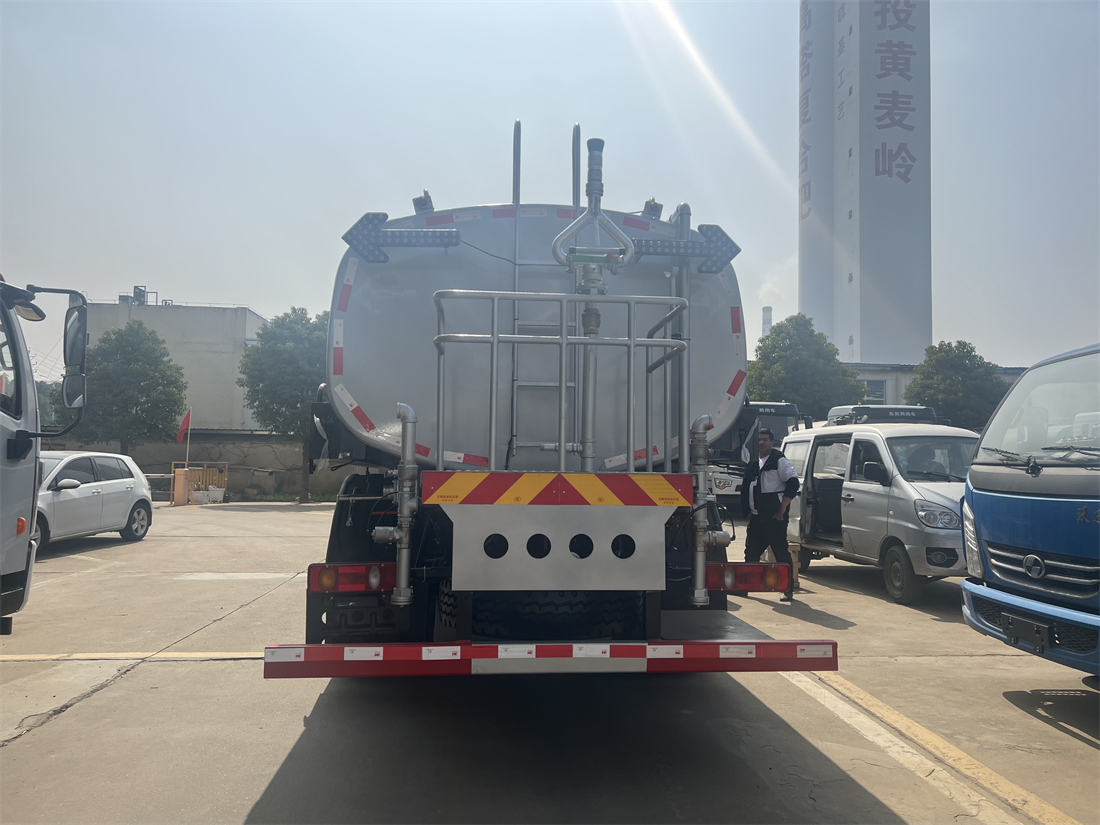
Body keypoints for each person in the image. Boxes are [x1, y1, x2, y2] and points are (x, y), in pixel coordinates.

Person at [740, 428, 800, 601]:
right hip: (757, 518)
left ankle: (787, 589)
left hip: (774, 518)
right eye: (758, 439)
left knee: (781, 554)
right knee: (751, 554)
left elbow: (793, 483)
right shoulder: (754, 462)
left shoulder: (778, 460)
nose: (761, 442)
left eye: (765, 439)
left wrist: (783, 507)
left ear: (772, 442)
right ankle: (745, 587)